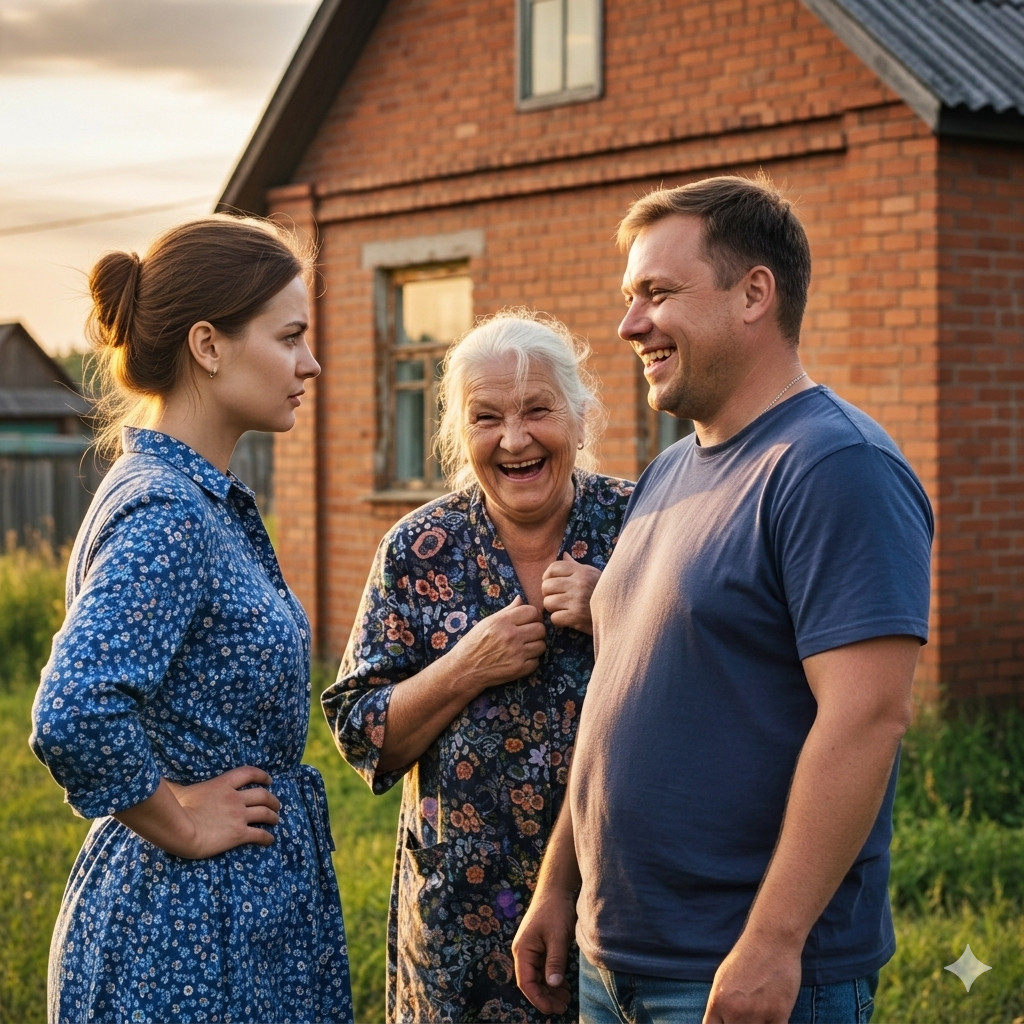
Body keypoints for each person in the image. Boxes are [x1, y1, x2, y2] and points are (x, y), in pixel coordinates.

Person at [513, 174, 934, 1024]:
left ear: (754, 294)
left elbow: (866, 718)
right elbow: (617, 698)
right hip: (612, 959)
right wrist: (560, 882)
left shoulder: (833, 466)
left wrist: (773, 945)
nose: (631, 324)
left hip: (743, 974)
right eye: (630, 297)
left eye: (658, 293)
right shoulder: (671, 470)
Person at [30, 214, 354, 1024]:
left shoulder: (184, 493)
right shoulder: (169, 511)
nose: (309, 363)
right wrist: (179, 821)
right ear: (208, 345)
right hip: (188, 938)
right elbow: (73, 711)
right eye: (289, 337)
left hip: (227, 922)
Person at [322, 308, 634, 1023]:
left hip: (617, 907)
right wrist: (464, 667)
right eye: (486, 417)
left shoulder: (639, 525)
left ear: (581, 419)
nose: (514, 439)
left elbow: (702, 691)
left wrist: (614, 607)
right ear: (458, 436)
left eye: (537, 411)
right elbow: (362, 732)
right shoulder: (417, 549)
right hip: (461, 922)